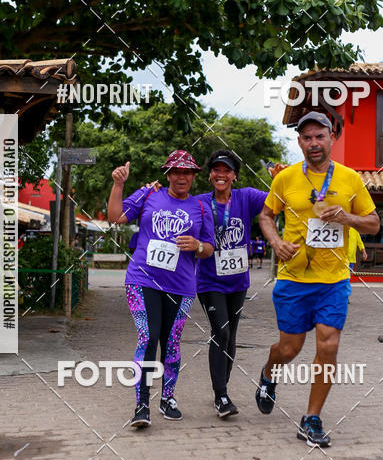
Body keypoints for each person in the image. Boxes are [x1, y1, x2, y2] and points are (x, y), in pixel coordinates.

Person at [256, 111, 380, 447]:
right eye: (307, 138)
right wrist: (275, 242)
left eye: (319, 136)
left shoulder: (351, 180)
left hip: (334, 280)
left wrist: (347, 216)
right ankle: (269, 372)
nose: (313, 143)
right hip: (295, 278)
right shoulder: (285, 180)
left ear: (331, 138)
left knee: (328, 344)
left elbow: (373, 223)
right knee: (289, 349)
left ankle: (311, 418)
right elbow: (266, 215)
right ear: (299, 142)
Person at [107, 151, 215, 428]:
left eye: (187, 172)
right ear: (167, 174)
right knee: (149, 336)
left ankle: (168, 398)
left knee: (170, 343)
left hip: (181, 287)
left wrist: (198, 246)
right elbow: (116, 216)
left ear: (193, 176)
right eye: (176, 171)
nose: (181, 177)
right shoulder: (149, 195)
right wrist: (118, 184)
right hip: (142, 280)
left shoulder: (201, 208)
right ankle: (142, 404)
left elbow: (209, 248)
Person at [196, 150, 268, 418]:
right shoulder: (200, 202)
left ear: (234, 175)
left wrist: (281, 179)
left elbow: (278, 202)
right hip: (209, 280)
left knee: (231, 336)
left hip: (238, 281)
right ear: (210, 175)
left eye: (226, 170)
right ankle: (221, 396)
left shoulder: (246, 197)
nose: (221, 175)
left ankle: (221, 386)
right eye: (216, 170)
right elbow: (175, 207)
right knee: (221, 333)